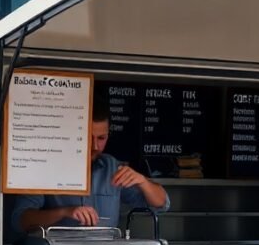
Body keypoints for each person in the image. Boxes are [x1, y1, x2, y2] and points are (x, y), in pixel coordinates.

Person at [11, 97, 169, 232]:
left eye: (101, 138)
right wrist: (64, 212)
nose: (95, 146)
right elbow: (20, 220)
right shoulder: (44, 165)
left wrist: (142, 181)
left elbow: (161, 205)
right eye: (87, 137)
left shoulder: (112, 167)